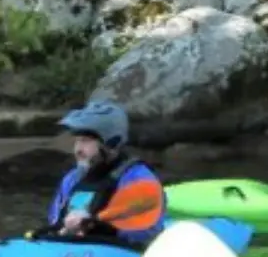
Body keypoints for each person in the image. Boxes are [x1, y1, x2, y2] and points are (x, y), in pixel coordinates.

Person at [31, 101, 166, 247]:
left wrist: (94, 224)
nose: (78, 149)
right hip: (71, 254)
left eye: (86, 141)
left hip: (115, 256)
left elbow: (144, 232)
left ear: (111, 144)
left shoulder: (138, 179)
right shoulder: (72, 179)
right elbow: (55, 222)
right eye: (77, 141)